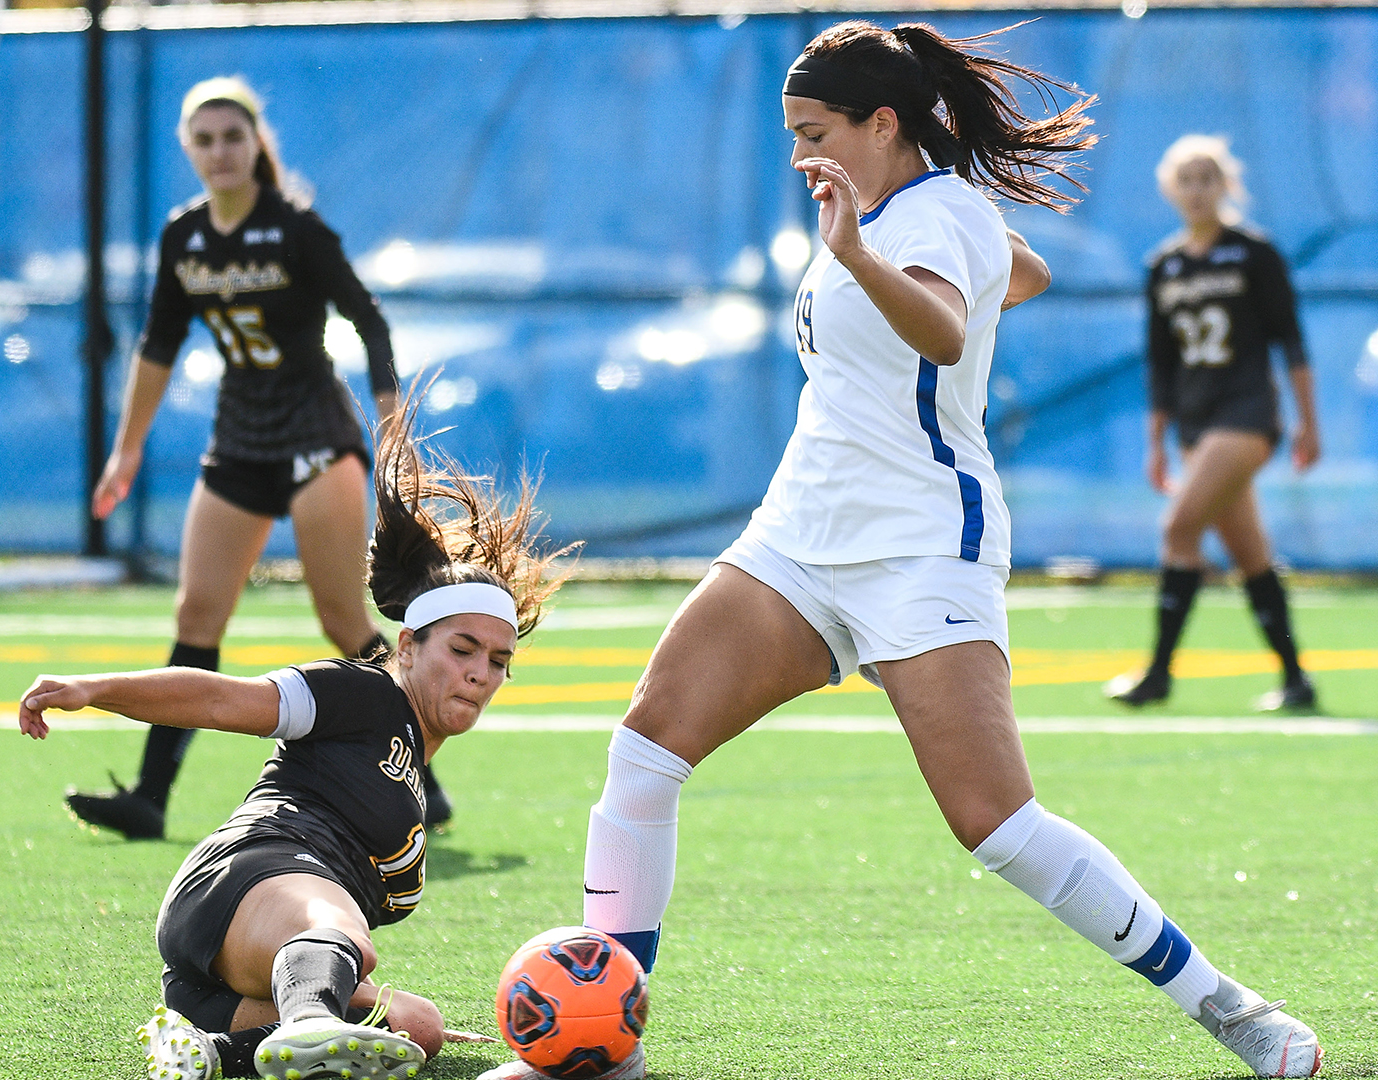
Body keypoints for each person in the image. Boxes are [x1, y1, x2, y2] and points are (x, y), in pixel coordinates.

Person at [488, 23, 1319, 1080]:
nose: (801, 155)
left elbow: (940, 330)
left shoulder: (926, 216)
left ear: (885, 124)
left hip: (923, 546)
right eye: (792, 133)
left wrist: (869, 258)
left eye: (816, 131)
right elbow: (1025, 272)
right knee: (645, 752)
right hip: (800, 534)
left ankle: (1230, 1009)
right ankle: (604, 1052)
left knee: (996, 824)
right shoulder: (897, 213)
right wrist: (923, 256)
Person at [20, 396, 571, 1080]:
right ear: (407, 645)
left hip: (214, 981)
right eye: (463, 649)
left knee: (416, 1026)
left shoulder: (410, 779)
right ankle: (310, 1019)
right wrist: (93, 690)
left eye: (498, 662)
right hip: (238, 882)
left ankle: (213, 1053)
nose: (481, 674)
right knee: (344, 936)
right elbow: (221, 699)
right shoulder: (361, 692)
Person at [66, 76, 453, 840]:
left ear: (255, 146)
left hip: (316, 436)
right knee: (197, 613)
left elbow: (368, 321)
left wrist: (388, 422)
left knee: (343, 616)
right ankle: (150, 797)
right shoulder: (184, 236)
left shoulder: (296, 229)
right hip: (241, 439)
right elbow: (158, 345)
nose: (219, 152)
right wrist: (127, 448)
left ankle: (418, 776)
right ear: (189, 150)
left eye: (232, 138)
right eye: (204, 140)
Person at [1106, 134, 1322, 714]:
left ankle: (1157, 673)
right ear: (1171, 190)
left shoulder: (1254, 252)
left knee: (1179, 529)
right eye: (1187, 179)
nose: (1198, 189)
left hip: (1248, 415)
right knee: (1248, 552)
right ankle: (1297, 679)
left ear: (1227, 185)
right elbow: (1161, 361)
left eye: (1208, 178)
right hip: (1197, 425)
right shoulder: (1165, 266)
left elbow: (1291, 343)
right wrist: (1157, 441)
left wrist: (1308, 422)